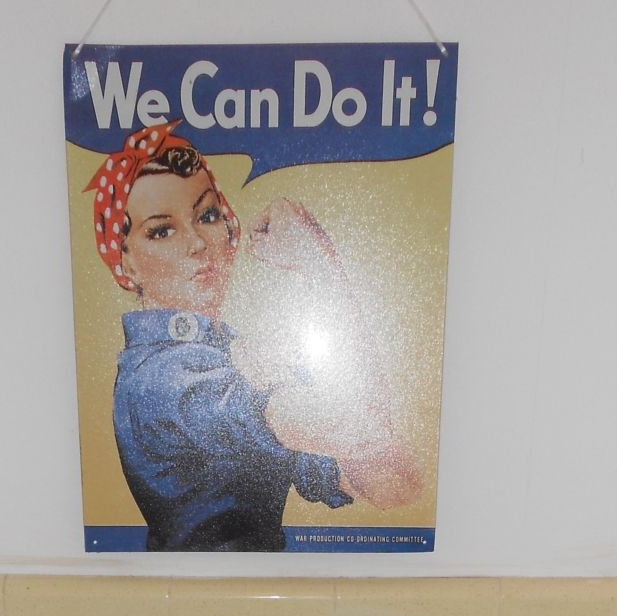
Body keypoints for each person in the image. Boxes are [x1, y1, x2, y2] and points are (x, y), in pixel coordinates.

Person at [86, 122, 419, 552]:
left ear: (228, 227)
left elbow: (395, 485)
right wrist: (320, 264)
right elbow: (355, 428)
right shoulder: (159, 377)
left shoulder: (232, 354)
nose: (197, 243)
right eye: (162, 231)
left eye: (207, 216)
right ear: (125, 263)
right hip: (195, 586)